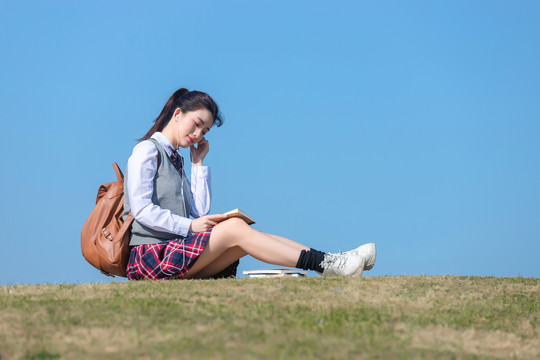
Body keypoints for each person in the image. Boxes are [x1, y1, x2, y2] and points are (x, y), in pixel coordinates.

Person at [123, 88, 377, 280]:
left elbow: (199, 212)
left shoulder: (176, 159)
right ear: (178, 114)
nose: (198, 134)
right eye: (197, 124)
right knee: (234, 229)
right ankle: (328, 265)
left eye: (205, 131)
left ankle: (332, 261)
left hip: (173, 251)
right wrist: (189, 225)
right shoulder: (147, 150)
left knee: (243, 233)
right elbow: (142, 210)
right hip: (150, 256)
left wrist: (198, 165)